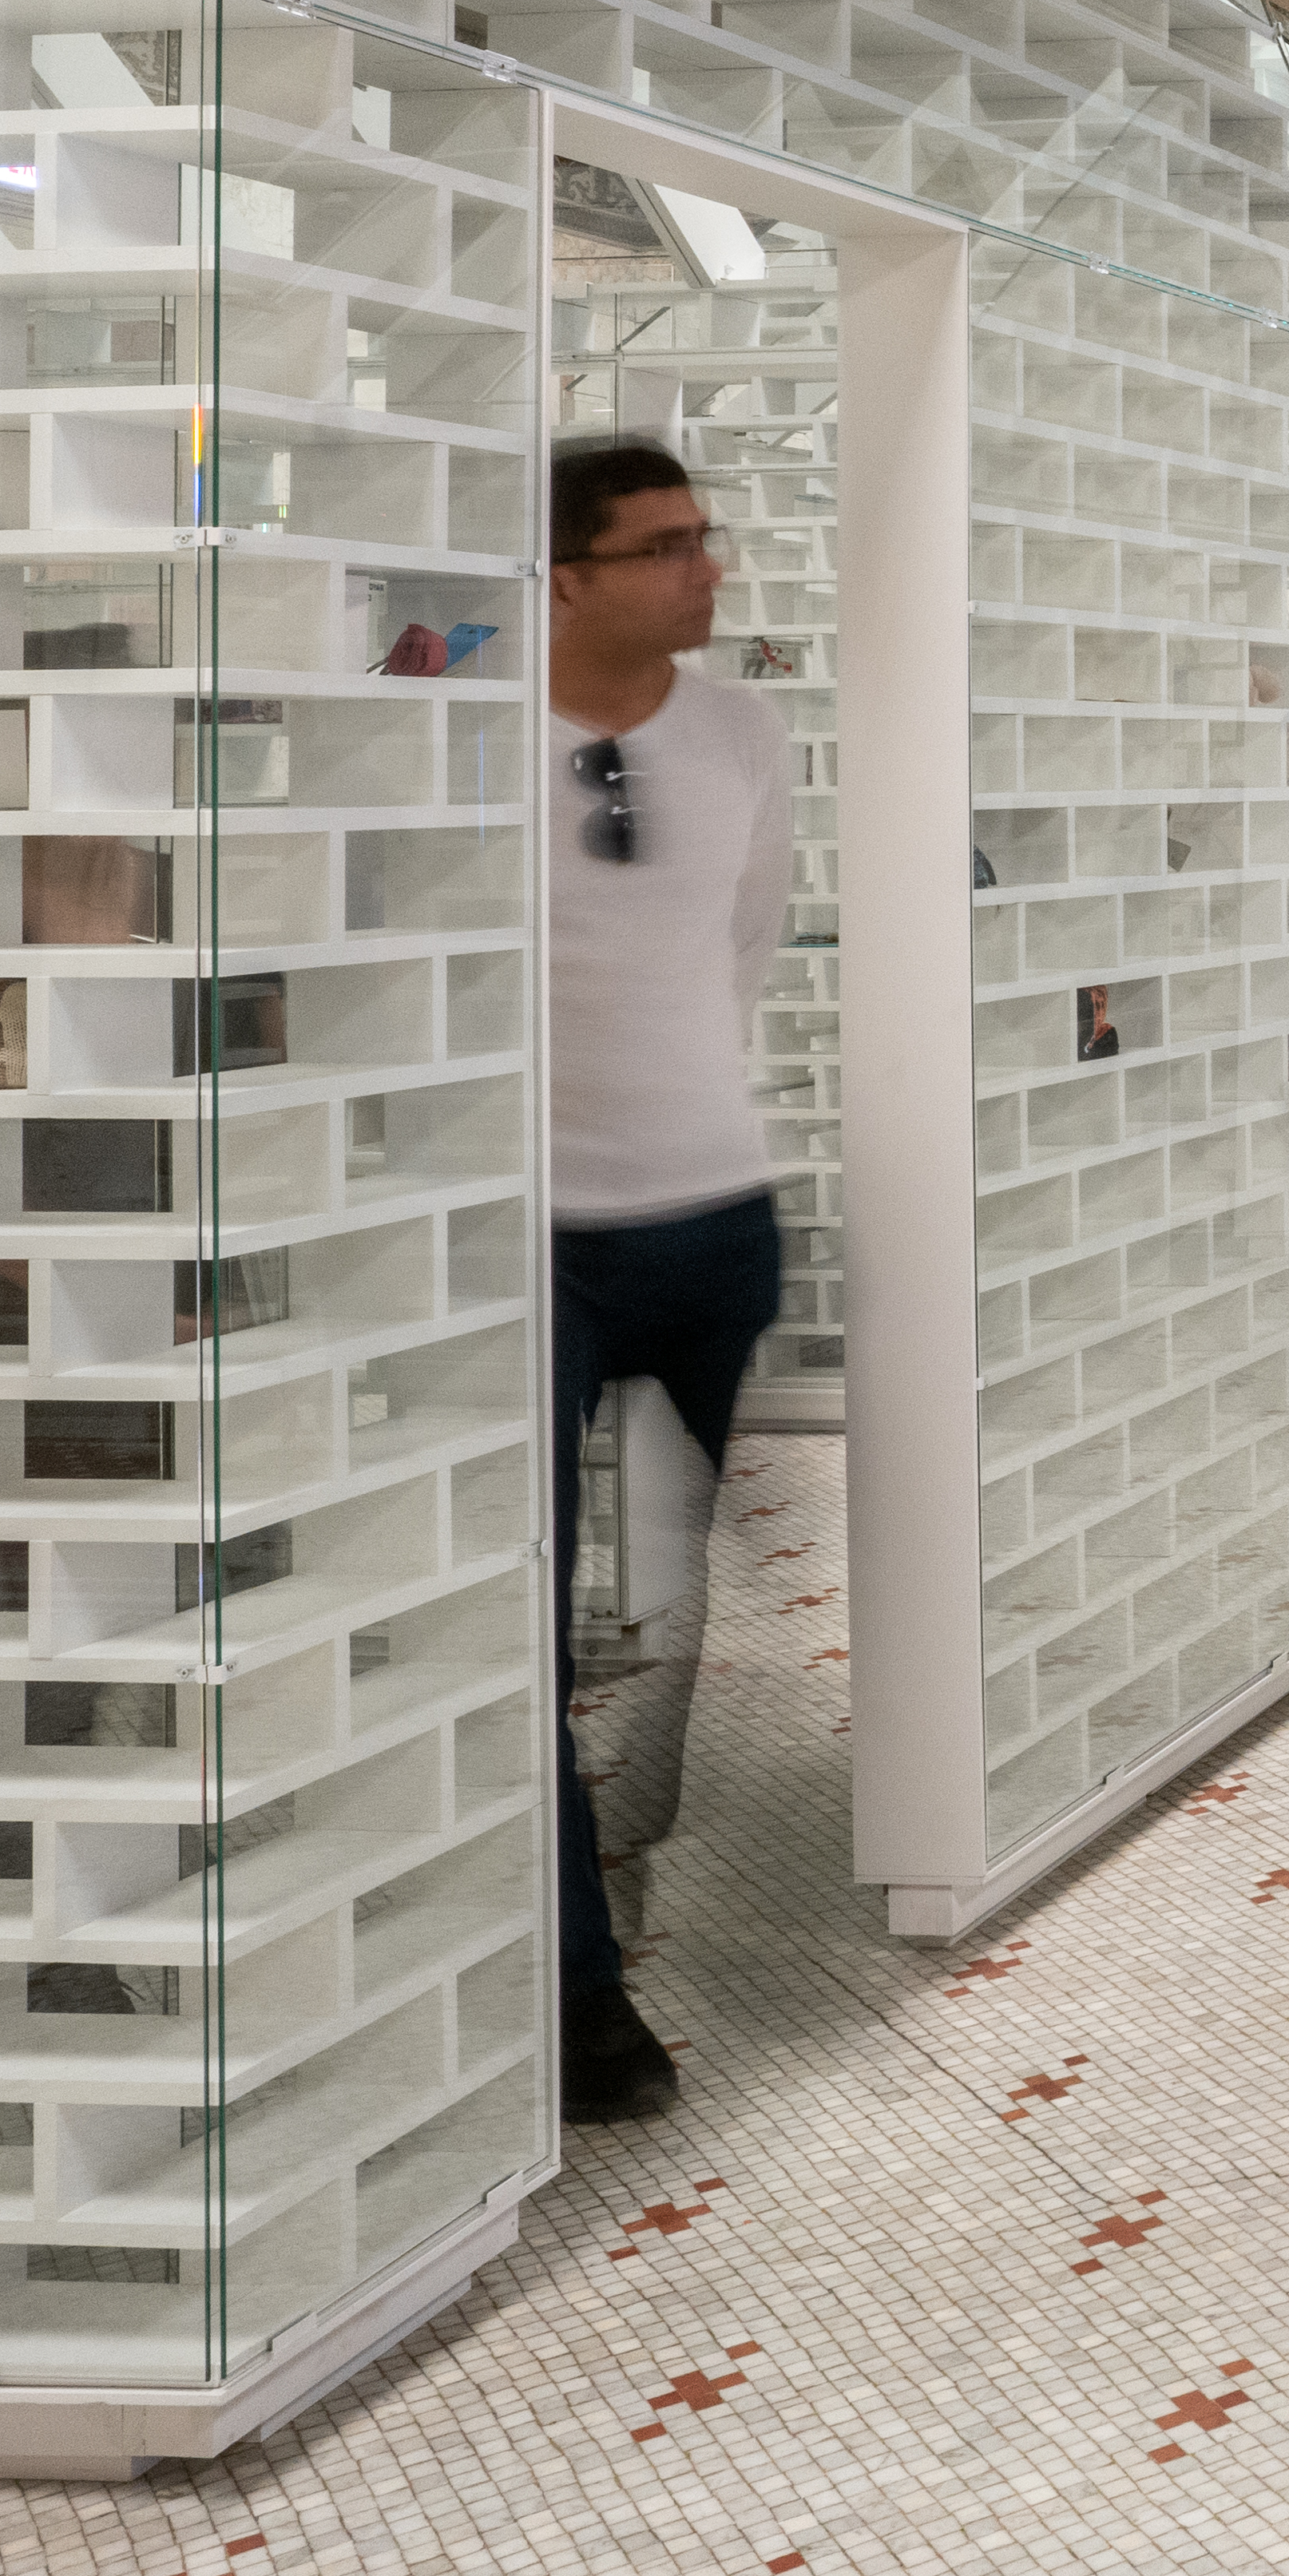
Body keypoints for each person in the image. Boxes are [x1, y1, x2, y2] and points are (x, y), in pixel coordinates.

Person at [539, 438, 792, 2127]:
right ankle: (583, 1999)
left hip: (716, 1212)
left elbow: (752, 941)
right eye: (663, 546)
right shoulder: (459, 736)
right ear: (563, 575)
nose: (706, 570)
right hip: (529, 1235)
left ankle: (638, 1850)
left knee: (690, 1603)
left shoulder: (739, 729)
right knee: (518, 1616)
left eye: (706, 537)